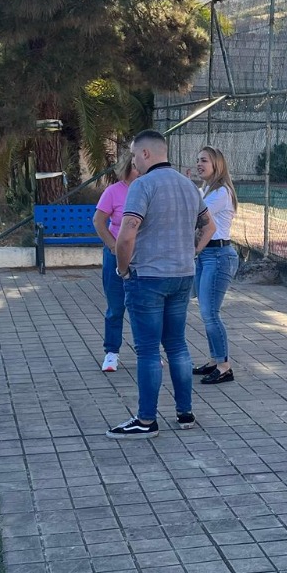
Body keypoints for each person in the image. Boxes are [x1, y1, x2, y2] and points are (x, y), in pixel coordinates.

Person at [108, 130, 211, 436]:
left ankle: (146, 420)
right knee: (177, 345)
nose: (132, 161)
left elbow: (126, 235)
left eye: (134, 155)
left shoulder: (142, 185)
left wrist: (122, 269)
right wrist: (192, 252)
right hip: (182, 276)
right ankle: (185, 414)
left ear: (146, 154)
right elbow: (209, 225)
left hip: (148, 277)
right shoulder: (188, 185)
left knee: (148, 350)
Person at [192, 145, 239, 385]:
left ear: (216, 165)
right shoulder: (206, 190)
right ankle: (214, 360)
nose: (199, 164)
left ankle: (224, 366)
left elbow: (198, 217)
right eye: (198, 160)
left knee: (211, 313)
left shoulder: (221, 192)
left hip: (219, 255)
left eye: (204, 161)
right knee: (206, 311)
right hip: (205, 255)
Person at [93, 156, 138, 373]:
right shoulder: (113, 191)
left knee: (142, 307)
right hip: (116, 256)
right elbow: (98, 221)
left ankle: (146, 351)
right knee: (116, 306)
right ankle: (111, 353)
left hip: (142, 257)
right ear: (128, 166)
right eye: (135, 165)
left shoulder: (149, 190)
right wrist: (112, 246)